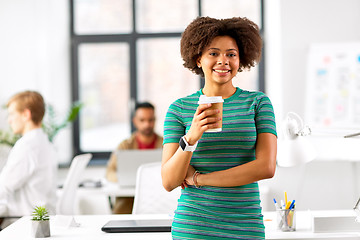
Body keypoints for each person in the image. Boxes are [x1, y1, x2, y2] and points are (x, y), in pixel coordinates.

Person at [161, 17, 277, 239]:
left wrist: (200, 179)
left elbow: (266, 167)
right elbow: (169, 181)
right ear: (198, 59)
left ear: (240, 60)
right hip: (194, 227)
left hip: (246, 226)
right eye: (213, 53)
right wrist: (191, 138)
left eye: (231, 54)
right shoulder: (179, 109)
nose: (223, 61)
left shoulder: (258, 103)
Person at [0, 91, 57, 228]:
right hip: (43, 219)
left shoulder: (27, 146)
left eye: (12, 114)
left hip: (23, 222)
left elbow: (4, 186)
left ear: (26, 114)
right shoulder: (45, 142)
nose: (9, 120)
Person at [106, 102, 163, 214]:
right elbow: (110, 172)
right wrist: (124, 179)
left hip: (159, 195)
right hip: (128, 199)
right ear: (135, 121)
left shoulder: (166, 144)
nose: (147, 124)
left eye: (151, 120)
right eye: (142, 120)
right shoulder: (124, 146)